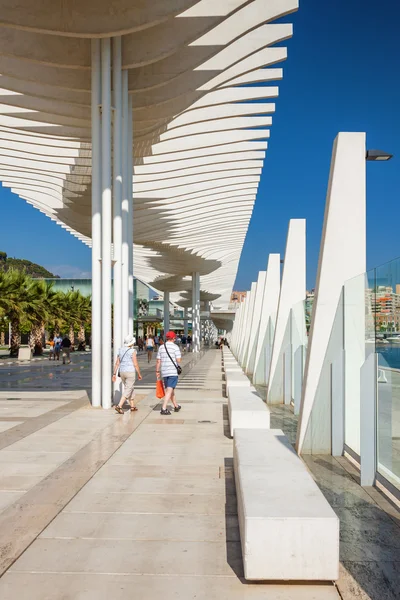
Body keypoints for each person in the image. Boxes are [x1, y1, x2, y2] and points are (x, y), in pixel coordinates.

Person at [112, 334, 142, 414]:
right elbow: (135, 363)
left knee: (130, 388)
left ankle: (132, 406)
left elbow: (117, 363)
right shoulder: (133, 351)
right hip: (130, 372)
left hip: (122, 372)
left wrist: (114, 374)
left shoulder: (120, 350)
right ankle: (119, 406)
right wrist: (139, 373)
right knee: (128, 389)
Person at [156, 330, 182, 415]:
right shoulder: (175, 347)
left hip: (164, 371)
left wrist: (157, 371)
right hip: (172, 372)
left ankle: (176, 406)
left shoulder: (161, 347)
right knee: (169, 390)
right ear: (174, 338)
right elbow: (179, 360)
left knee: (170, 389)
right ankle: (163, 408)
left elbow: (158, 361)